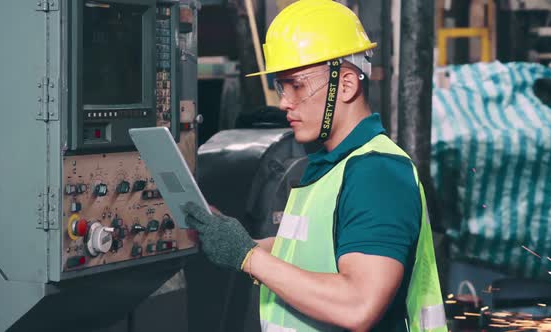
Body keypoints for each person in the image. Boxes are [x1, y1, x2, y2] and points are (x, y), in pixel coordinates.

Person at [182, 0, 447, 331]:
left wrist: (250, 258)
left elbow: (358, 304)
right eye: (281, 85)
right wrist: (229, 238)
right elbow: (308, 251)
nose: (283, 101)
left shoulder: (377, 173)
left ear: (346, 85)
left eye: (298, 85)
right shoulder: (329, 166)